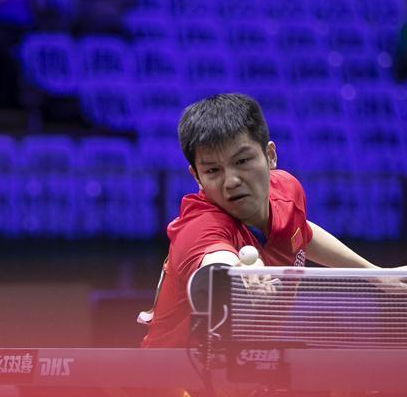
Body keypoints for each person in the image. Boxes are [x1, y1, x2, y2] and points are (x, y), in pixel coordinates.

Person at [141, 93, 389, 348]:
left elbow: (301, 232)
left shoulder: (287, 190)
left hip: (240, 370)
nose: (231, 181)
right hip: (174, 378)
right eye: (213, 170)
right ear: (197, 177)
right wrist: (240, 276)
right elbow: (216, 262)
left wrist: (376, 274)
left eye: (242, 161)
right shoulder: (198, 226)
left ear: (270, 155)